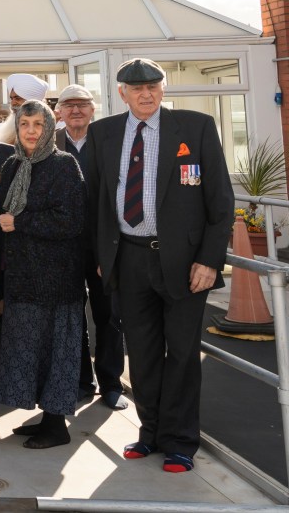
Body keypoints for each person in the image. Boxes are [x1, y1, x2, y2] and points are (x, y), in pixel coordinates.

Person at [81, 59, 232, 473]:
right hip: (128, 258)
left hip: (185, 264)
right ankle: (150, 433)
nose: (145, 94)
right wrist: (100, 257)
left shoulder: (196, 127)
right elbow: (95, 202)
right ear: (121, 93)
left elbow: (220, 201)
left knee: (182, 353)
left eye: (153, 86)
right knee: (143, 354)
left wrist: (209, 259)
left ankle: (181, 442)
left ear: (164, 89)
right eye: (136, 88)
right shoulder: (103, 133)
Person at [0, 100, 85, 449]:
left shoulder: (64, 165)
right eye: (25, 124)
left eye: (38, 124)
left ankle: (56, 425)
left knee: (55, 350)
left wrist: (21, 222)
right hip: (22, 276)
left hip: (56, 279)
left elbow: (70, 220)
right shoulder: (14, 164)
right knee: (29, 348)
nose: (31, 131)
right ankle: (44, 417)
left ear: (50, 128)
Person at [56, 84, 128, 412]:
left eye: (82, 105)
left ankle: (111, 384)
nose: (75, 111)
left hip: (104, 245)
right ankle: (81, 380)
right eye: (68, 105)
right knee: (72, 317)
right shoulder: (48, 142)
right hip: (64, 245)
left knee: (109, 315)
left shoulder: (109, 142)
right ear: (58, 111)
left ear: (93, 109)